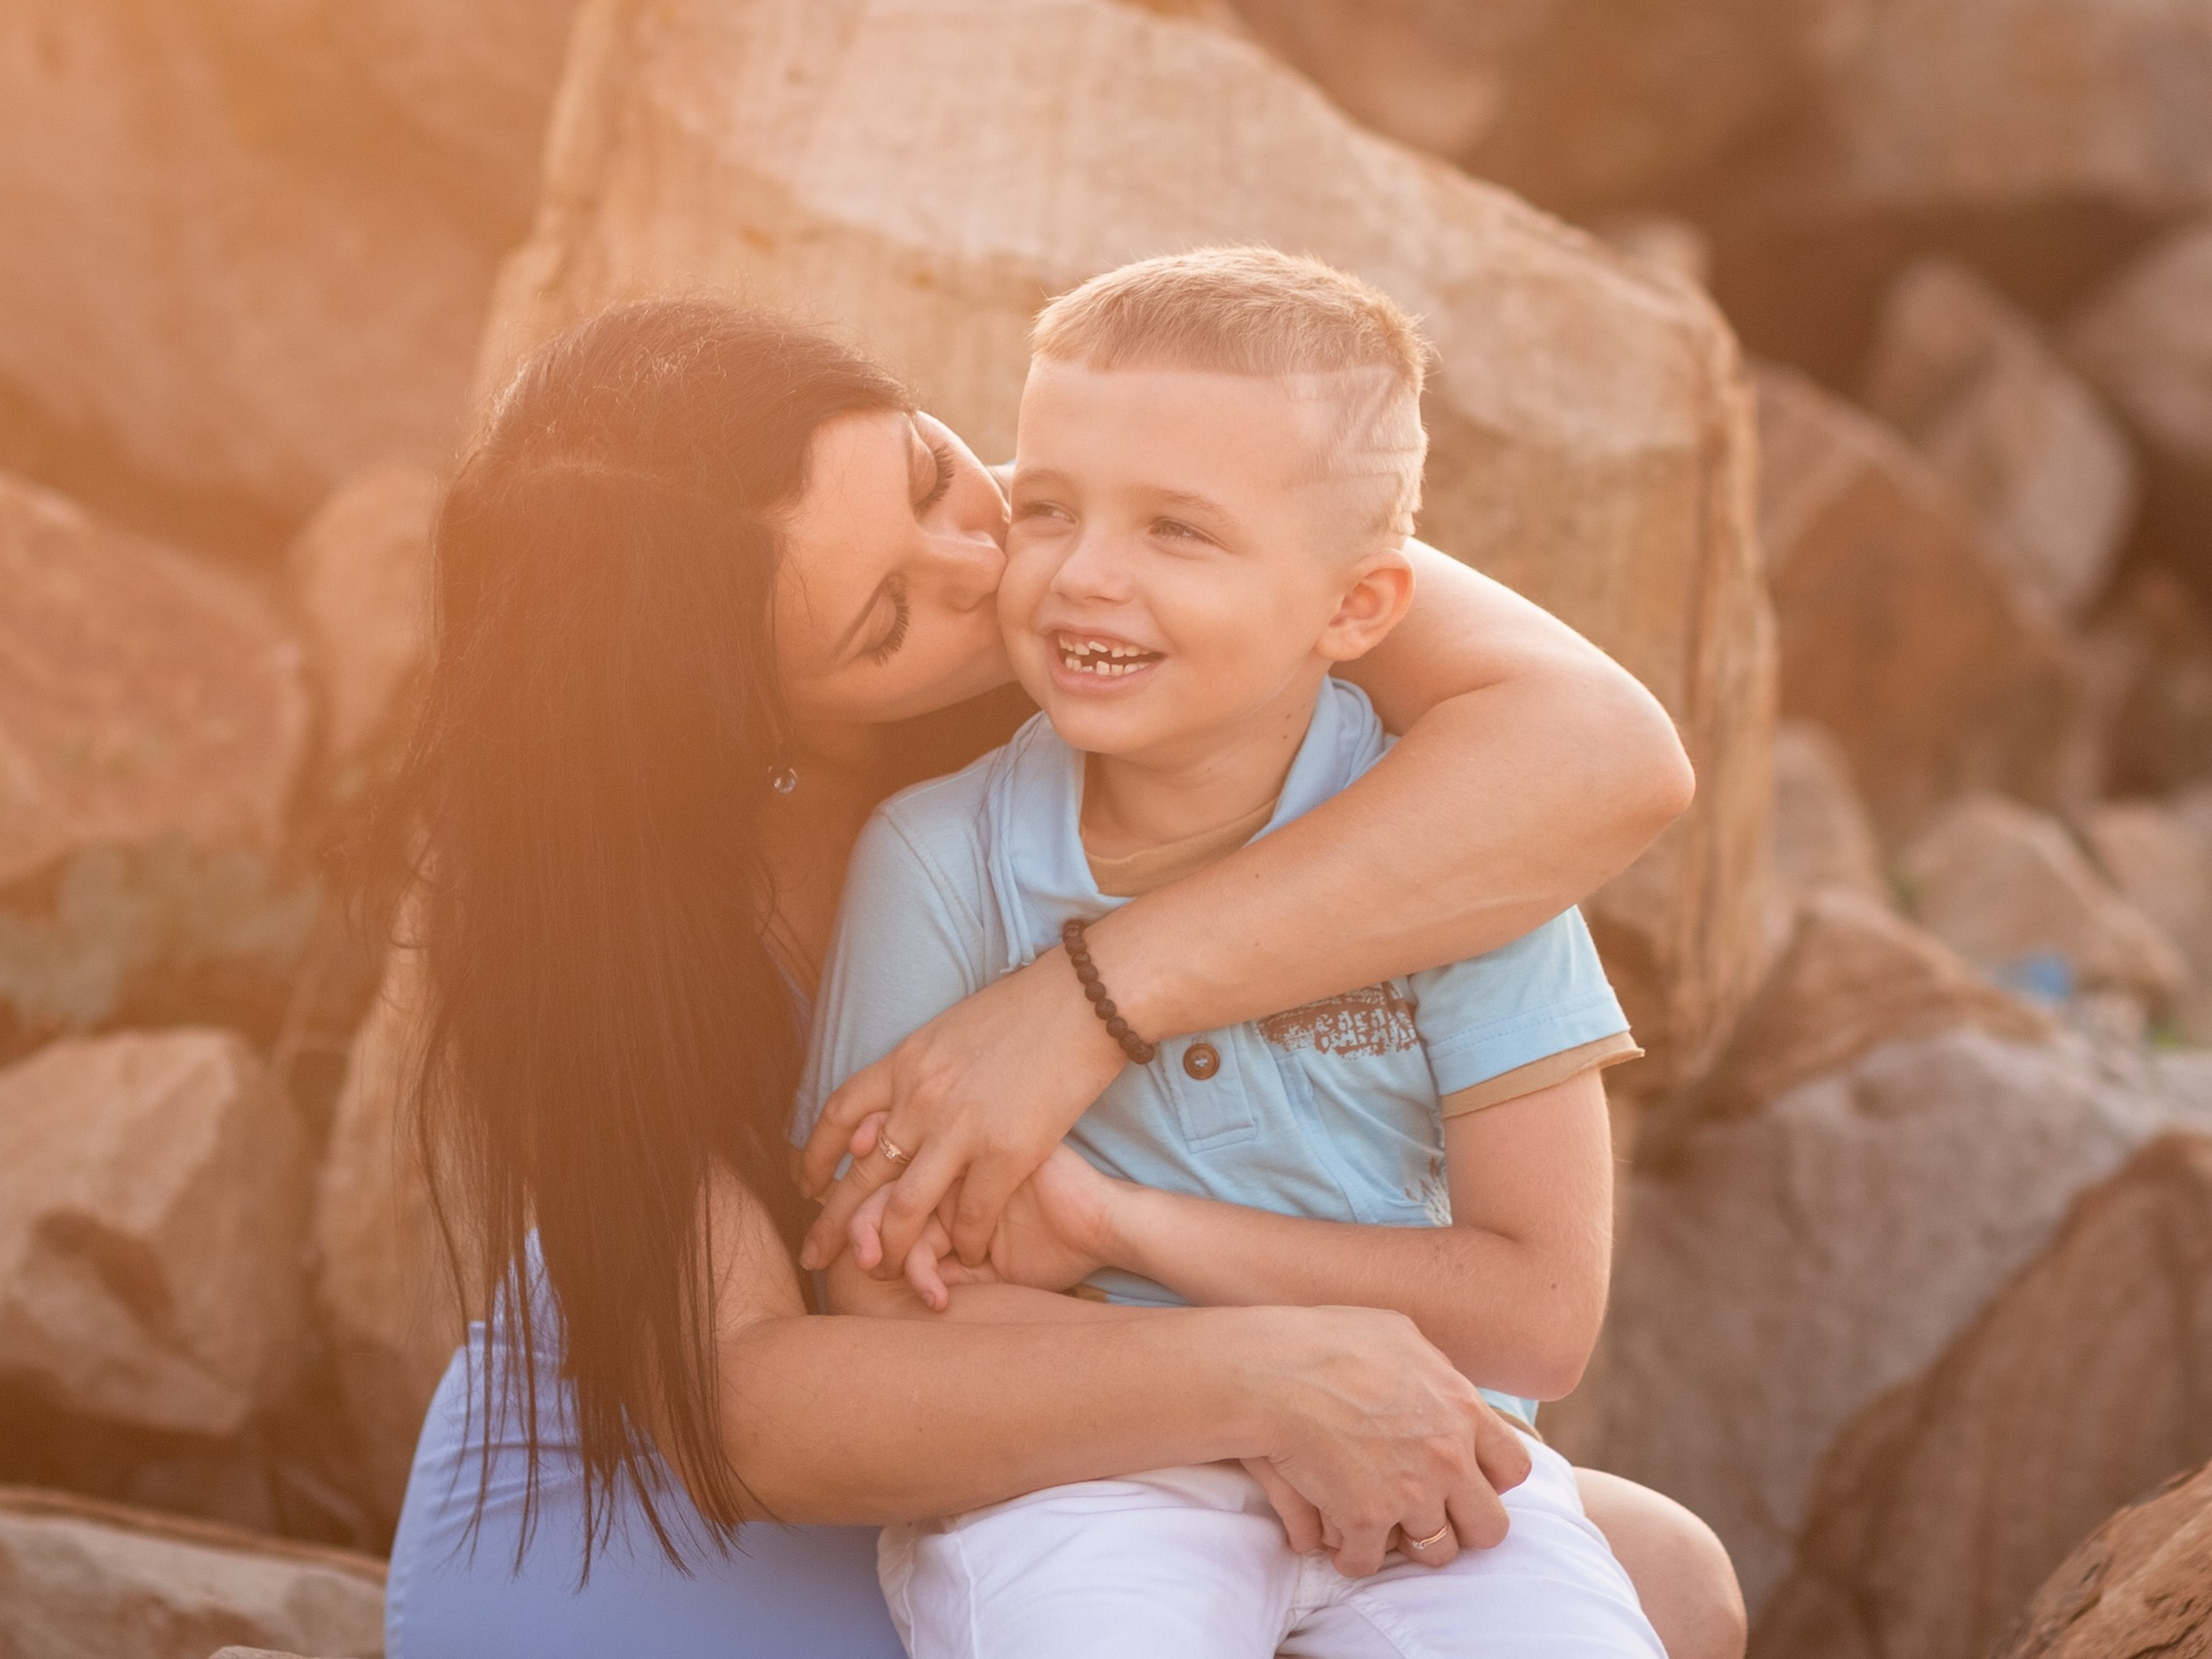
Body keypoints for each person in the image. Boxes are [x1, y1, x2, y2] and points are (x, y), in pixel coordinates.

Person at [378, 296, 1745, 1658]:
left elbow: (1608, 754)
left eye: (930, 471)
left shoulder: (1116, 554)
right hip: (680, 1549)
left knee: (1666, 1581)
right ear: (744, 715)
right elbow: (758, 1407)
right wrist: (1275, 1376)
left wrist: (1088, 1002)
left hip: (1061, 1431)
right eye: (883, 620)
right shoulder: (631, 909)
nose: (986, 562)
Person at [802, 249, 1664, 1657]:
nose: (1085, 575)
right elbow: (885, 1300)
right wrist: (1242, 1386)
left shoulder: (1466, 852)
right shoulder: (937, 859)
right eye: (1049, 506)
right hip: (1082, 1481)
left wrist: (1122, 1227)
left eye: (1177, 531)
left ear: (1357, 608)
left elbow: (1538, 1320)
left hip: (1434, 1479)